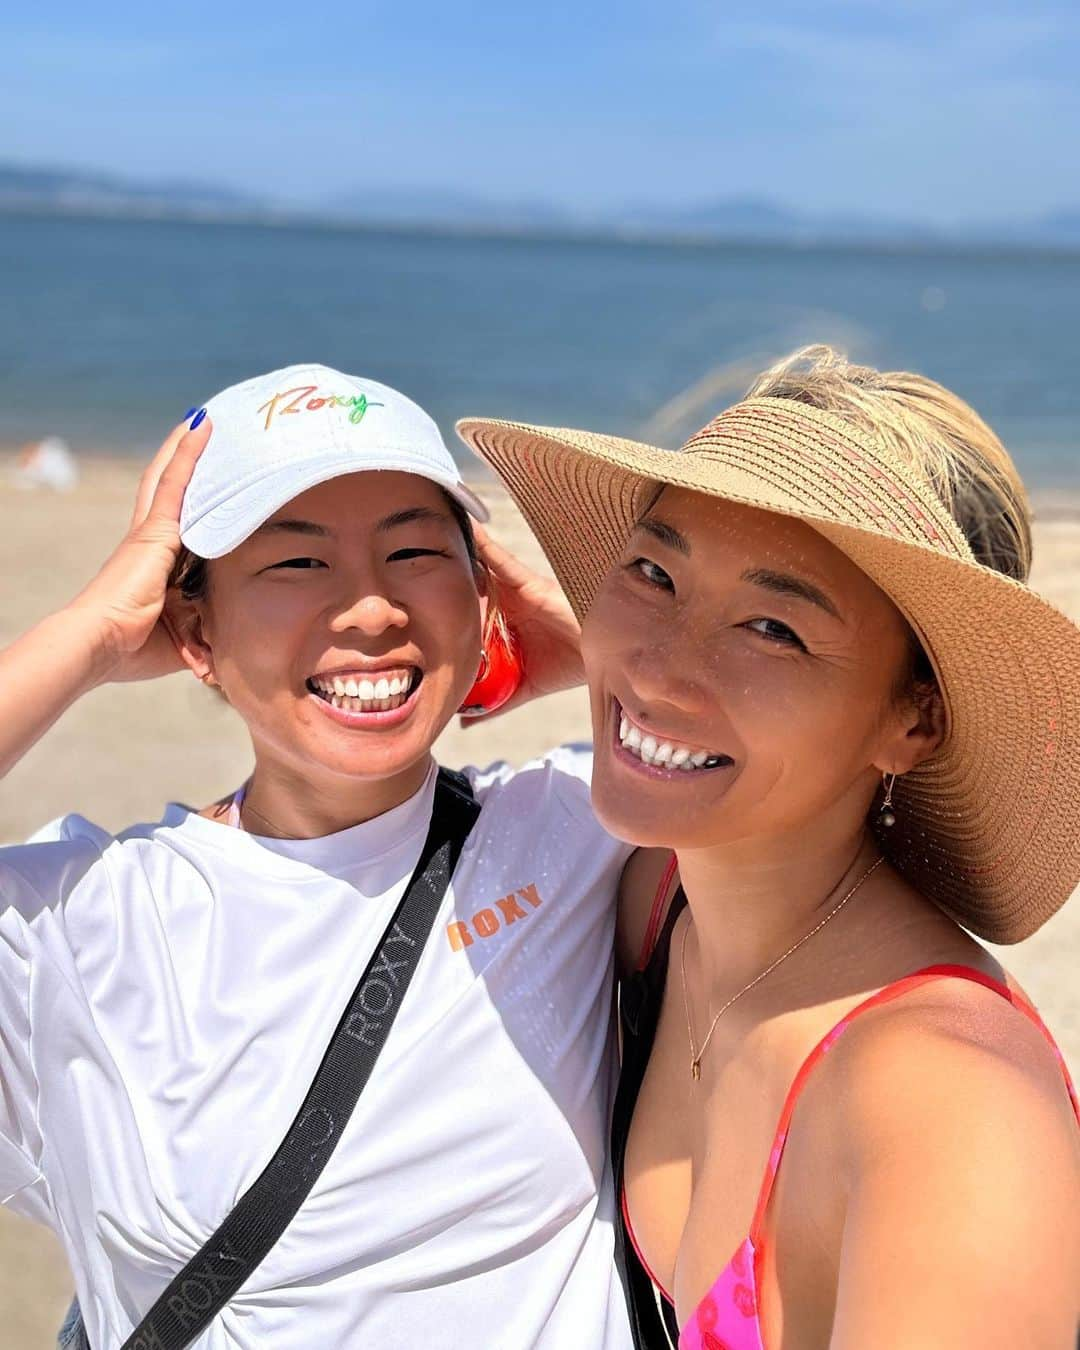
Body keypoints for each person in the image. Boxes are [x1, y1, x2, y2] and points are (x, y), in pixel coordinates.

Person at [457, 346, 1080, 1348]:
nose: (662, 669)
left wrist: (644, 693)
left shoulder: (950, 1110)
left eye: (774, 629)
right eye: (653, 572)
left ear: (916, 724)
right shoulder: (658, 902)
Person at [0, 364, 634, 1348]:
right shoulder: (77, 926)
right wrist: (82, 637)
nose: (372, 609)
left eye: (416, 553)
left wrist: (592, 643)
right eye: (298, 564)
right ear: (193, 632)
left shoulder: (580, 831)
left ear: (481, 591)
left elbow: (850, 774)